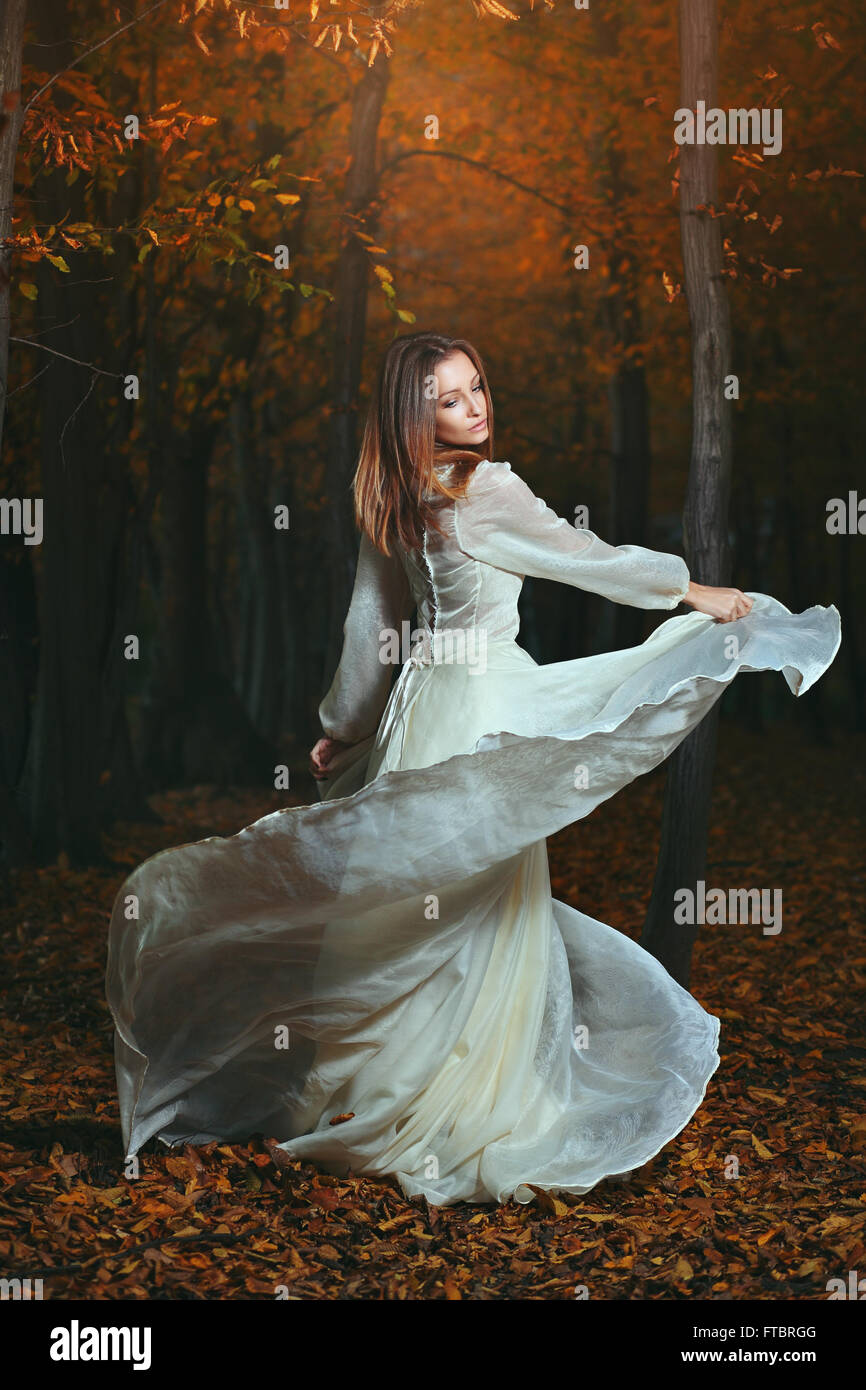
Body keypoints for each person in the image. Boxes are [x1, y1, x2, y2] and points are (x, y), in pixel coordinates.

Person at [106, 331, 841, 1208]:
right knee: (475, 902)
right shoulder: (482, 488)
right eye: (450, 399)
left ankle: (369, 1090)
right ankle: (453, 1099)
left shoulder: (393, 493)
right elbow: (583, 558)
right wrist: (693, 592)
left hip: (424, 712)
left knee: (401, 896)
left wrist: (346, 724)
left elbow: (369, 628)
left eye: (477, 386)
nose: (475, 406)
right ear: (415, 417)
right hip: (481, 708)